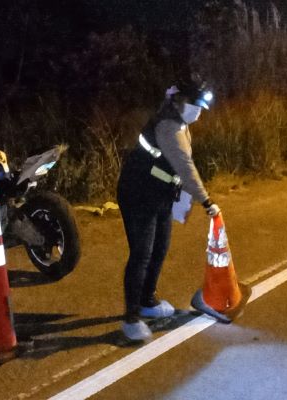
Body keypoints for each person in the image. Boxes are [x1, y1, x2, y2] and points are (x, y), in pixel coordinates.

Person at [116, 77, 219, 341]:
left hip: (159, 194)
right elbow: (185, 166)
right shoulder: (168, 127)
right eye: (196, 105)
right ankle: (131, 318)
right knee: (142, 253)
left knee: (160, 248)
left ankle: (147, 301)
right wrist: (206, 201)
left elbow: (177, 168)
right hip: (138, 192)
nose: (198, 112)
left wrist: (183, 199)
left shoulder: (181, 124)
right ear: (181, 102)